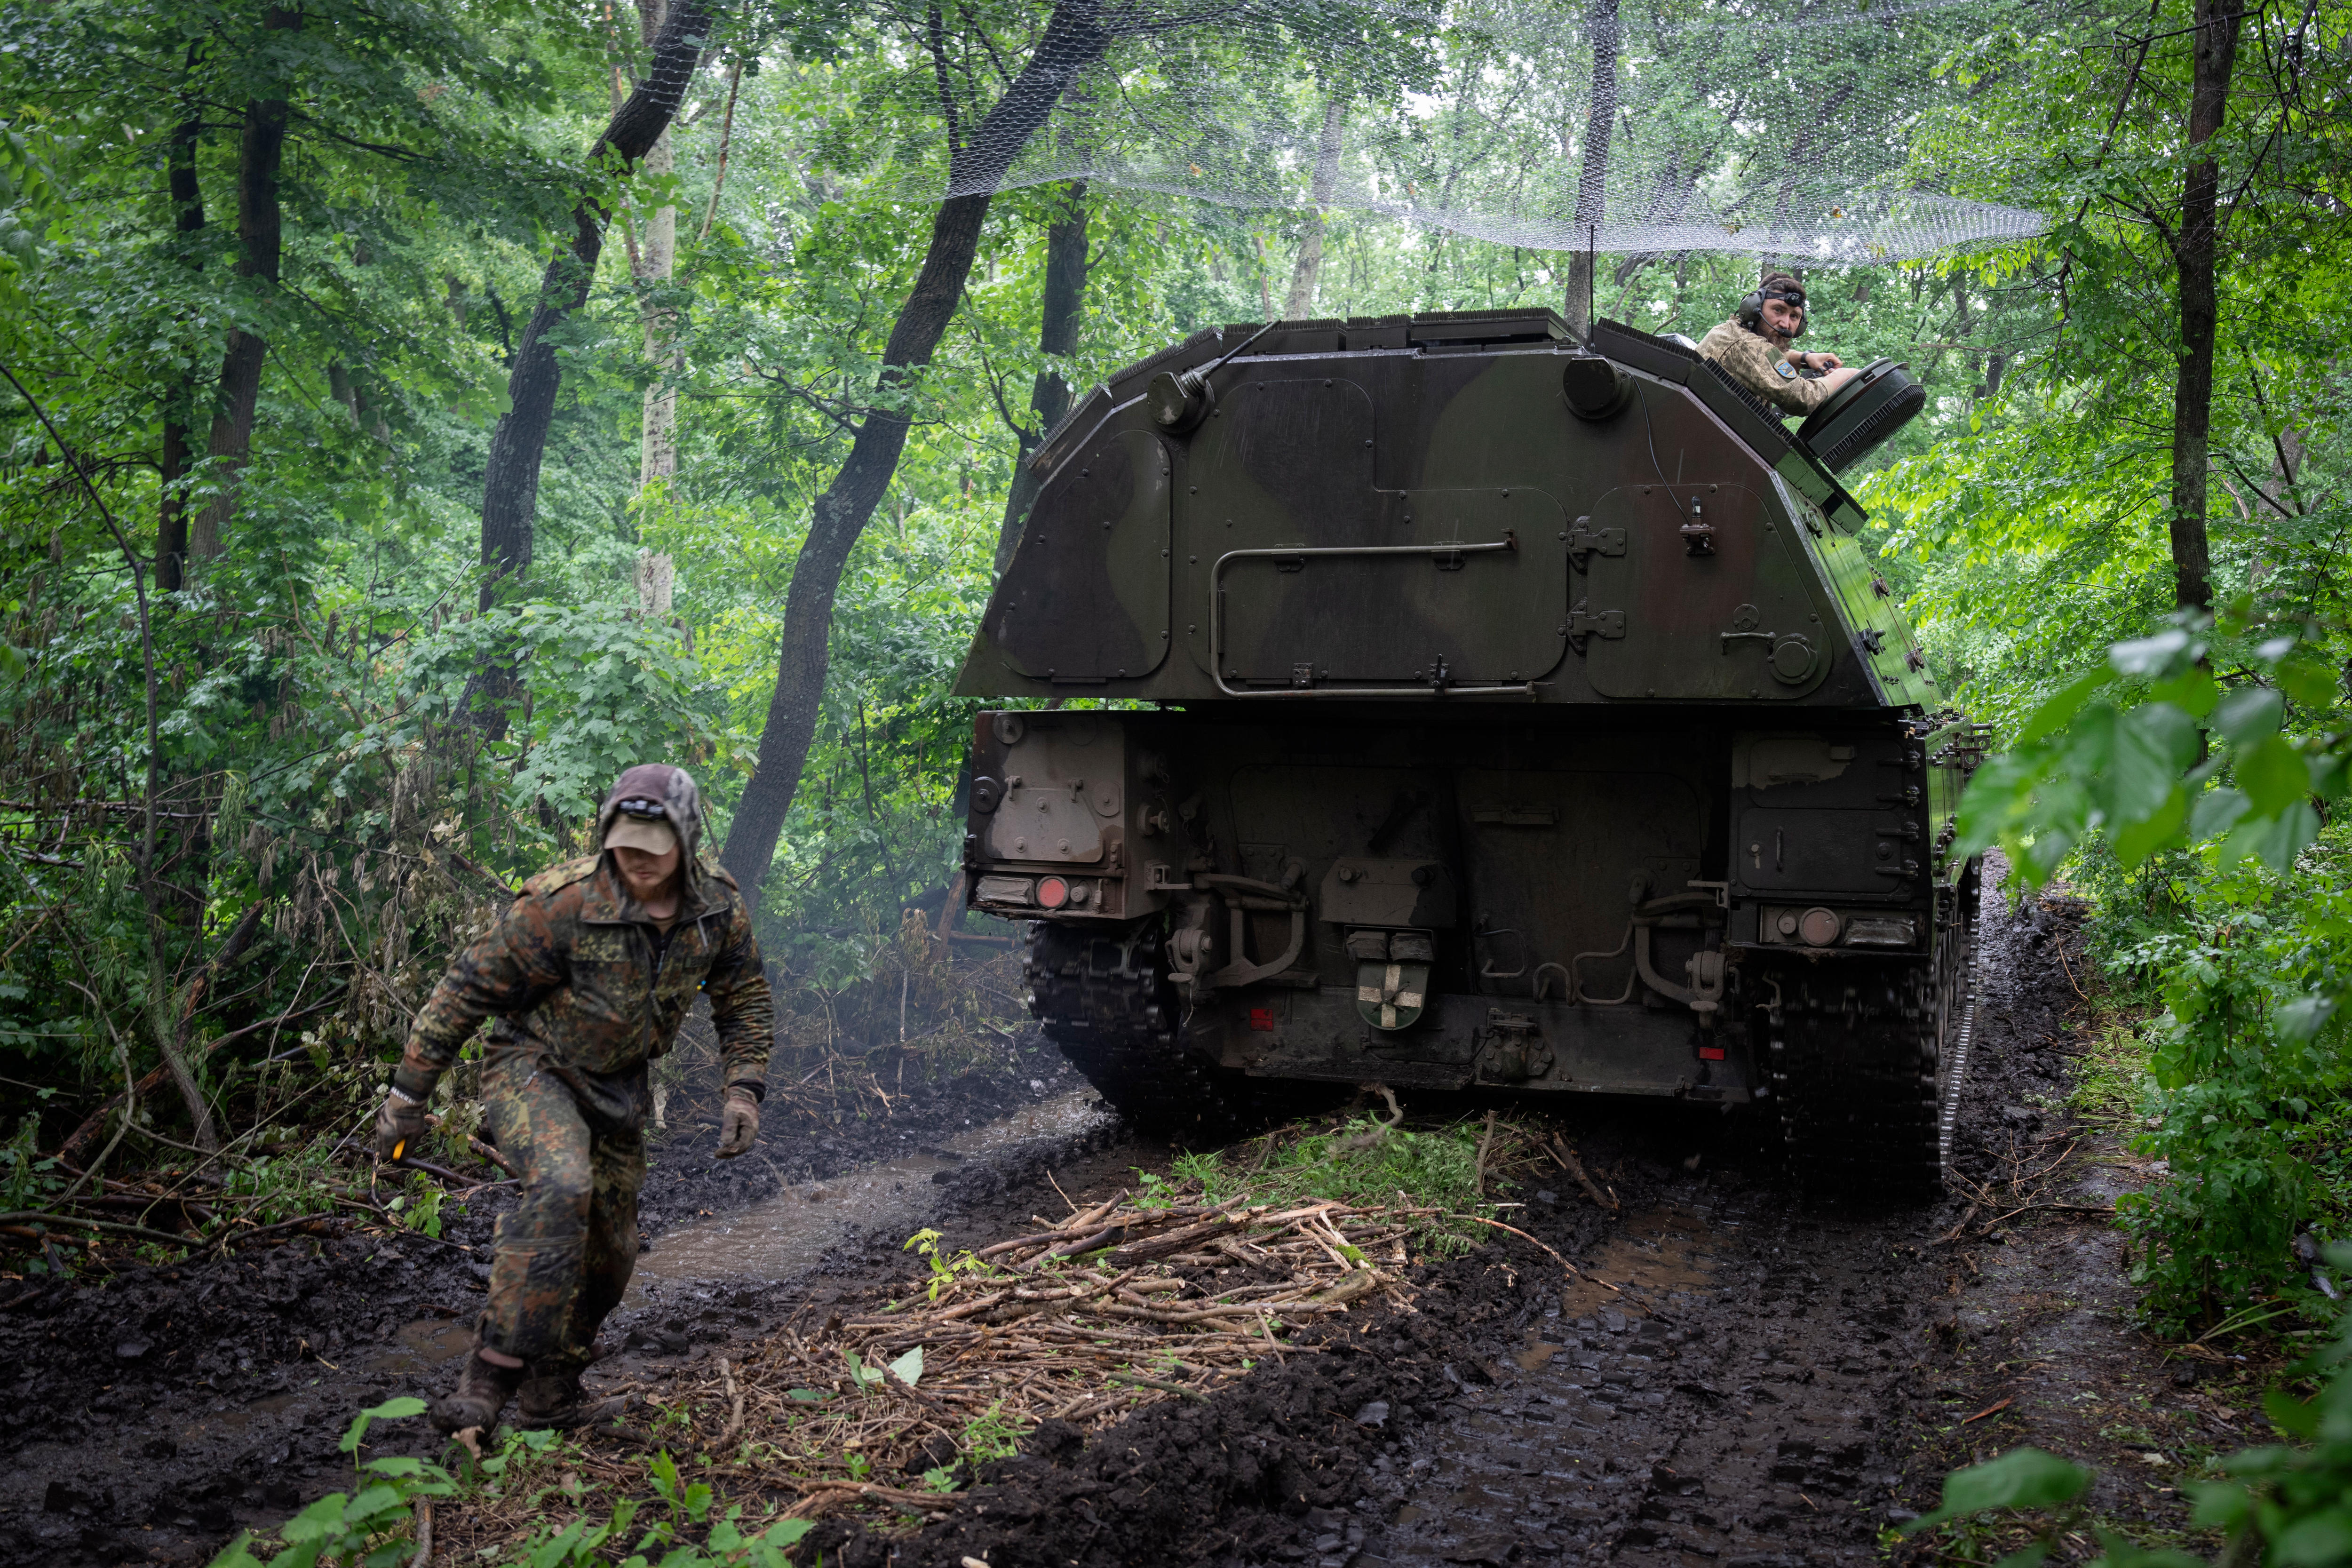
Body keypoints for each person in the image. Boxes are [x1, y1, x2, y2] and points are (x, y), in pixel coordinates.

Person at [373, 764, 774, 1433]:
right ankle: (491, 1372)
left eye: (653, 847)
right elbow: (465, 989)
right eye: (625, 843)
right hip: (535, 1067)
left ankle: (551, 1394)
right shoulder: (564, 904)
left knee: (611, 1251)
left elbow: (744, 996)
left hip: (620, 1086)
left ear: (686, 838)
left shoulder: (717, 909)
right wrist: (407, 1097)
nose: (637, 861)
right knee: (562, 1187)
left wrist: (744, 1090)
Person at [1696, 271, 1860, 416]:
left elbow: (1767, 356)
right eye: (1778, 310)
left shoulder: (1733, 333)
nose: (1785, 324)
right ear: (1754, 307)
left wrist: (1804, 358)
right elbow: (1802, 399)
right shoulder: (1744, 343)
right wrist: (1845, 375)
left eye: (1794, 316)